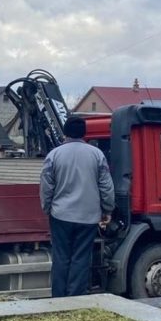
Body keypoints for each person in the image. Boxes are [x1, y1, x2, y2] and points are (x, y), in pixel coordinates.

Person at [40, 115, 114, 297]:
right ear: (84, 133)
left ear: (65, 132)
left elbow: (46, 186)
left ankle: (58, 299)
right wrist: (107, 209)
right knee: (81, 258)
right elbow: (106, 185)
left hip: (60, 215)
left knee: (61, 257)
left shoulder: (54, 155)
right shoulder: (97, 155)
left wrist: (47, 207)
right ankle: (75, 300)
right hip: (88, 217)